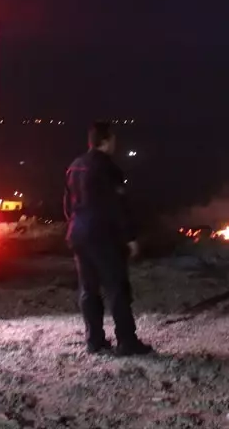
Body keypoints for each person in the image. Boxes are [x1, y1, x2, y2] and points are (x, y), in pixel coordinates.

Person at [63, 120, 153, 355]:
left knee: (88, 289)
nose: (116, 143)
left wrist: (75, 225)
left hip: (78, 235)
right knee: (117, 288)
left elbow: (67, 205)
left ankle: (94, 341)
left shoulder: (75, 166)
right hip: (103, 236)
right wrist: (130, 237)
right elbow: (118, 206)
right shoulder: (108, 169)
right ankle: (127, 342)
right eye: (113, 139)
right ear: (105, 140)